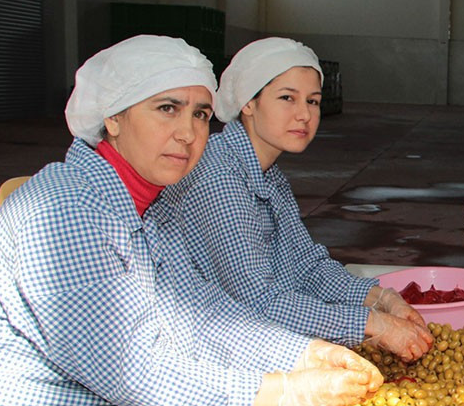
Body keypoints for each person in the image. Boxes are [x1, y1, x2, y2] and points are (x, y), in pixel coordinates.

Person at [0, 36, 383, 406]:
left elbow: (205, 314)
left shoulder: (146, 206)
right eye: (165, 108)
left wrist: (303, 354)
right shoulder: (63, 213)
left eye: (196, 112)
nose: (189, 133)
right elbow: (137, 372)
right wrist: (283, 392)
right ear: (112, 118)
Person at [163, 37, 432, 362]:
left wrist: (381, 299)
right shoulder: (218, 176)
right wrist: (373, 325)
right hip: (206, 354)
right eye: (287, 98)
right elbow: (259, 302)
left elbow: (306, 265)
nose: (304, 114)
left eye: (313, 101)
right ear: (248, 103)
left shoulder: (268, 174)